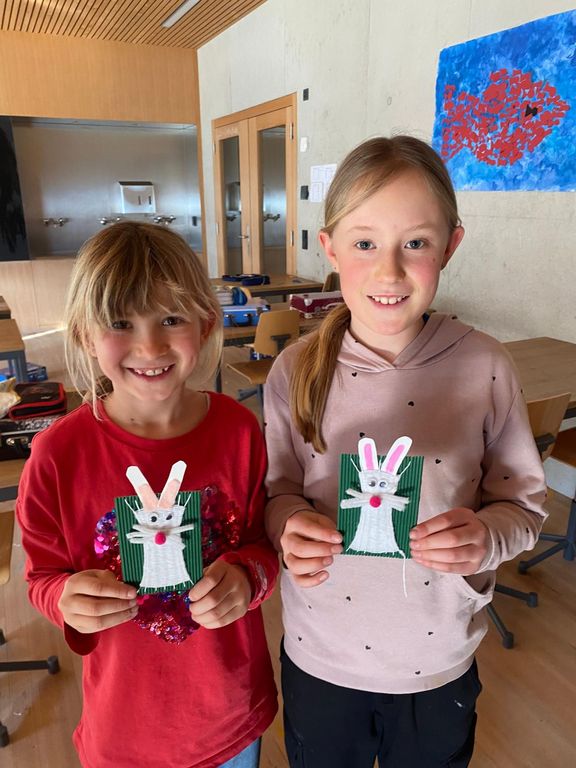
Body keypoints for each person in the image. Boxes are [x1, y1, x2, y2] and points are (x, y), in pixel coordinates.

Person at [264, 135, 547, 767]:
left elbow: (524, 507)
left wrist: (485, 538)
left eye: (415, 243)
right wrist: (288, 525)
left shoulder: (485, 365)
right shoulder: (295, 370)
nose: (389, 271)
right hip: (321, 657)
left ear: (450, 245)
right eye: (365, 243)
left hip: (437, 662)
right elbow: (277, 492)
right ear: (329, 246)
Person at [16, 222, 278, 768]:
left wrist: (248, 578)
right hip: (125, 729)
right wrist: (64, 598)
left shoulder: (239, 431)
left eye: (171, 318)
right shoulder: (57, 456)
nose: (150, 345)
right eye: (120, 323)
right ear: (85, 335)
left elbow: (261, 545)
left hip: (231, 717)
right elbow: (42, 578)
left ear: (205, 324)